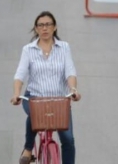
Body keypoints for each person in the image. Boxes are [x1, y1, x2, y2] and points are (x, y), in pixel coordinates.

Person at [11, 12, 80, 164]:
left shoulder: (64, 47)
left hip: (60, 100)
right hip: (34, 97)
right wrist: (16, 94)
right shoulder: (28, 49)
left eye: (48, 24)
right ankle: (28, 149)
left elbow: (70, 71)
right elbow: (20, 75)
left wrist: (73, 89)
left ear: (54, 27)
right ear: (36, 29)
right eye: (41, 25)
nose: (45, 28)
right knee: (35, 114)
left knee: (68, 140)